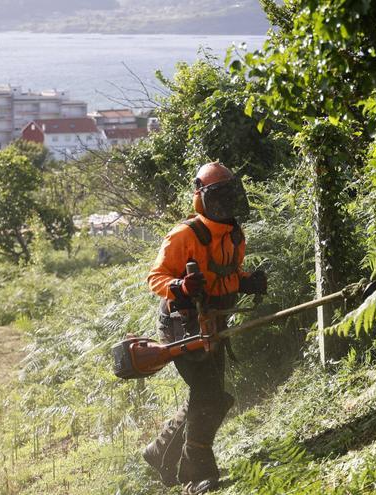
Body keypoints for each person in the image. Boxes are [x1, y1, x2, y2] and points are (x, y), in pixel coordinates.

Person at [143, 161, 267, 494]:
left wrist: (248, 282)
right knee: (209, 394)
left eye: (229, 194)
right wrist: (182, 286)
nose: (226, 202)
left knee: (206, 394)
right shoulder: (185, 234)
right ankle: (196, 470)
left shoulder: (235, 234)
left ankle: (160, 452)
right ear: (201, 196)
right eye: (219, 195)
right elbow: (156, 278)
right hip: (182, 324)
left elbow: (228, 273)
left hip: (214, 320)